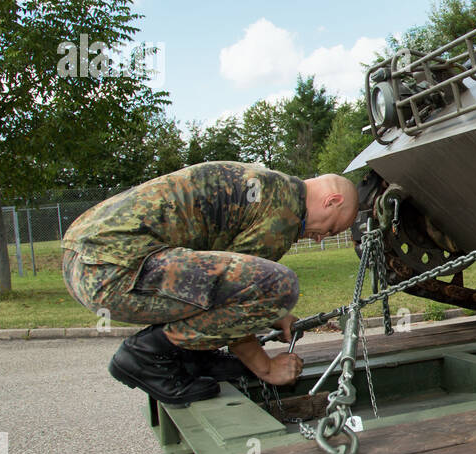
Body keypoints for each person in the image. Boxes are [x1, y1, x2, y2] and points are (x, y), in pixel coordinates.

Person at [61, 161, 358, 406]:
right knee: (281, 285)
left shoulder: (273, 187)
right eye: (330, 229)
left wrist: (274, 316)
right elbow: (242, 290)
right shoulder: (283, 215)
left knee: (269, 290)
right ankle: (145, 355)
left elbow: (225, 280)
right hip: (110, 270)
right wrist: (267, 368)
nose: (319, 238)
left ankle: (193, 356)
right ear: (332, 201)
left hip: (86, 260)